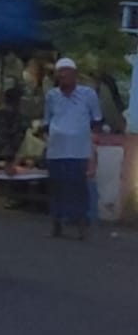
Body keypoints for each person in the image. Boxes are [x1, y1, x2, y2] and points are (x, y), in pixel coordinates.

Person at [43, 57, 102, 240]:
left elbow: (97, 120)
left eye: (67, 73)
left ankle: (81, 226)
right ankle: (57, 224)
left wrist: (92, 145)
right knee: (57, 187)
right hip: (56, 150)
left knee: (78, 188)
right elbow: (47, 120)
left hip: (79, 150)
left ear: (75, 75)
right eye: (60, 73)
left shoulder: (88, 94)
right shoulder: (52, 96)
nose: (64, 76)